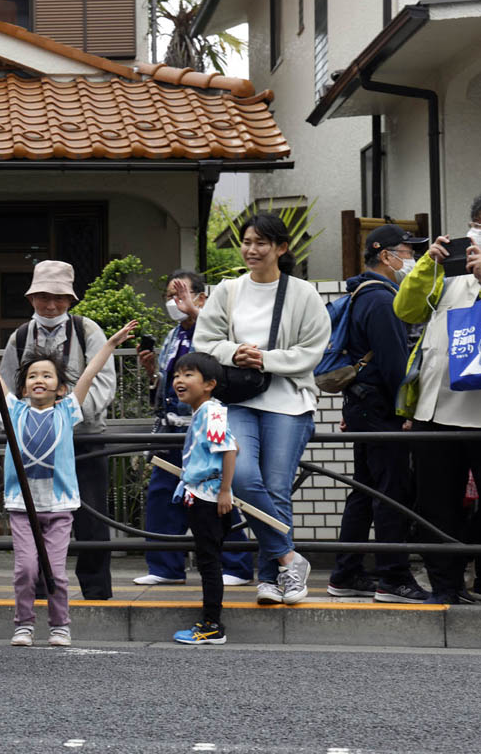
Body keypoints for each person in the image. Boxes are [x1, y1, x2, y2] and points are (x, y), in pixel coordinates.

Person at [394, 189, 481, 606]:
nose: (478, 231)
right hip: (435, 406)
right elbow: (407, 310)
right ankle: (446, 586)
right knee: (436, 503)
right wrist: (427, 264)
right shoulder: (449, 267)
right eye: (475, 222)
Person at [0, 319, 137, 648]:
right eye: (32, 376)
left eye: (47, 375)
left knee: (55, 572)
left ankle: (60, 625)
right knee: (25, 570)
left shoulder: (66, 411)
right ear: (25, 386)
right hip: (21, 507)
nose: (38, 380)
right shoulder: (12, 410)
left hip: (59, 508)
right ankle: (24, 624)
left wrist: (111, 345)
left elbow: (88, 376)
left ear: (60, 388)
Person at [194, 214, 331, 605]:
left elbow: (313, 350)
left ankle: (271, 578)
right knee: (241, 478)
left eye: (261, 243)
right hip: (238, 399)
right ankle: (289, 558)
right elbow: (205, 340)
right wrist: (233, 352)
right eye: (247, 242)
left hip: (289, 401)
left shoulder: (303, 294)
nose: (252, 250)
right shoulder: (227, 290)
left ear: (281, 248)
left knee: (275, 487)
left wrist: (266, 359)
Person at [0, 260, 117, 600]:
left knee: (92, 515)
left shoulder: (88, 330)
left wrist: (67, 417)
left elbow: (104, 382)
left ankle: (96, 591)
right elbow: (6, 383)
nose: (51, 305)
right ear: (31, 297)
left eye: (59, 297)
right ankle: (38, 589)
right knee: (36, 514)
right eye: (43, 297)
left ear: (71, 299)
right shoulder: (20, 336)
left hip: (85, 438)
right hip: (35, 442)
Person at [327, 224, 431, 603]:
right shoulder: (383, 300)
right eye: (408, 251)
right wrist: (406, 409)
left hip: (361, 404)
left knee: (364, 491)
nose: (412, 259)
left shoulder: (360, 293)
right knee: (390, 493)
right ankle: (394, 578)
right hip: (381, 409)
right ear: (386, 256)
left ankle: (346, 573)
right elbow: (393, 365)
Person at [133, 270, 253, 587]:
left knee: (213, 493)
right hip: (170, 425)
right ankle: (165, 567)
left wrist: (196, 314)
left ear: (202, 297)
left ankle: (237, 565)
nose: (176, 301)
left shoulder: (214, 328)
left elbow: (220, 366)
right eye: (170, 296)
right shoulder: (172, 335)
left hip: (203, 426)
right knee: (162, 494)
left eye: (182, 293)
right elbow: (168, 386)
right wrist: (152, 372)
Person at [168, 352, 239, 645]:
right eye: (176, 376)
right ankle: (210, 622)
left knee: (209, 562)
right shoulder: (203, 411)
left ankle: (211, 624)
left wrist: (224, 491)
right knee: (209, 560)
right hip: (203, 494)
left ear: (209, 383)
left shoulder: (213, 412)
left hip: (209, 498)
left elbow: (229, 450)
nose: (178, 381)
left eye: (187, 375)